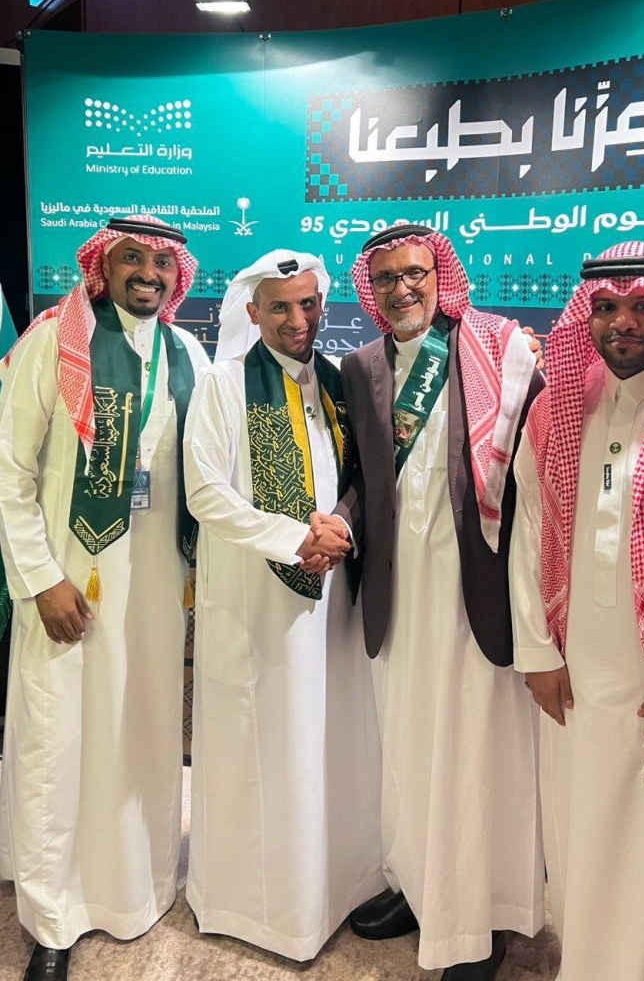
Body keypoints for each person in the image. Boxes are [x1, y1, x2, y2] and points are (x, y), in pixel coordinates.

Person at [321, 224, 546, 979]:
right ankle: (419, 888)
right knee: (409, 747)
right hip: (397, 595)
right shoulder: (360, 367)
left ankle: (479, 917)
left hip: (472, 594)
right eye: (386, 279)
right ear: (371, 289)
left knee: (474, 751)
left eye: (414, 273)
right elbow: (362, 479)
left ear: (439, 275)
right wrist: (339, 521)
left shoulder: (497, 351)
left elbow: (538, 466)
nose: (402, 290)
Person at [0, 216, 209, 981]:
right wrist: (41, 578)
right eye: (131, 258)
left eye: (161, 261)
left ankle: (135, 890)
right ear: (103, 265)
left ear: (177, 273)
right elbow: (8, 469)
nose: (148, 272)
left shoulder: (189, 354)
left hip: (154, 593)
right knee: (58, 742)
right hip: (69, 585)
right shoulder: (55, 342)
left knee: (141, 736)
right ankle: (52, 917)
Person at [183, 249, 383, 961]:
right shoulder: (225, 384)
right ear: (252, 312)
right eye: (280, 307)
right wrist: (293, 536)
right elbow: (205, 493)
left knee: (328, 741)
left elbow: (361, 475)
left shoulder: (337, 380)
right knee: (262, 745)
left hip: (332, 605)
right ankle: (258, 907)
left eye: (307, 304)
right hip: (256, 604)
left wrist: (338, 529)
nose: (297, 320)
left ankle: (334, 887)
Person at [510, 240, 644, 981]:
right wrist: (536, 653)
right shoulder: (555, 413)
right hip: (573, 672)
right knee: (578, 837)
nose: (623, 322)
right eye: (605, 307)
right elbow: (524, 537)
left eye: (642, 305)